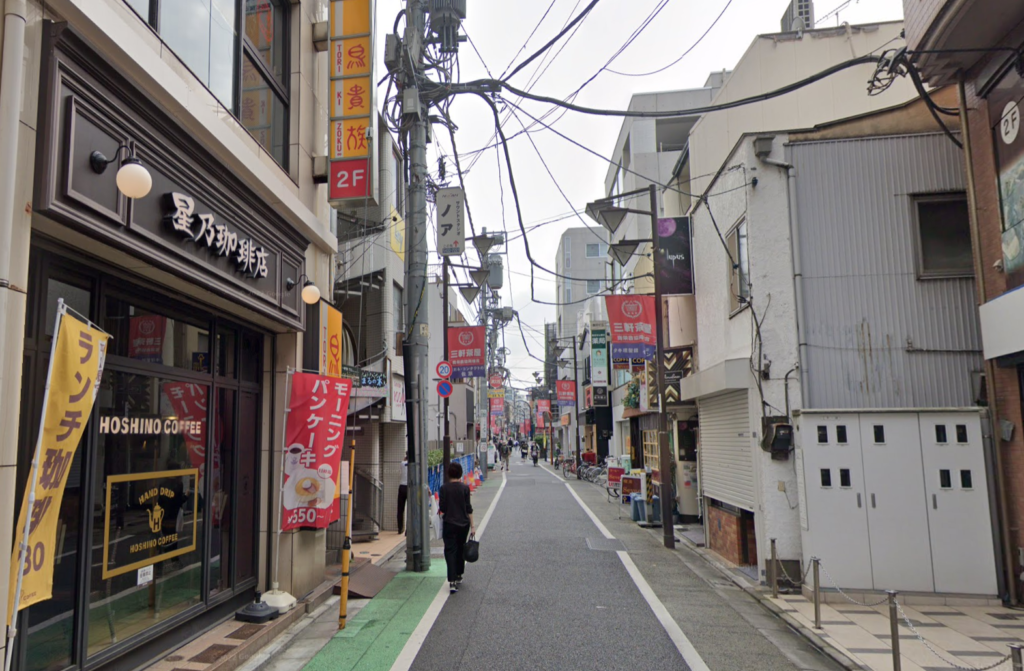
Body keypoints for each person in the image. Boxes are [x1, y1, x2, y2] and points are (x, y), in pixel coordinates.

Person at [439, 461, 474, 594]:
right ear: (460, 473)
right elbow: (468, 508)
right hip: (463, 524)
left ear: (448, 474)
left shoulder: (444, 488)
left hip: (449, 523)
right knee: (460, 549)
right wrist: (473, 526)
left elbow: (442, 508)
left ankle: (452, 581)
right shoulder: (465, 488)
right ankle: (459, 574)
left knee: (450, 551)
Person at [397, 456, 408, 535]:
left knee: (400, 509)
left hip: (402, 487)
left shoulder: (402, 463)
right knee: (410, 510)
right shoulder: (413, 465)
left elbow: (403, 460)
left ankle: (400, 528)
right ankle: (408, 529)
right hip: (410, 487)